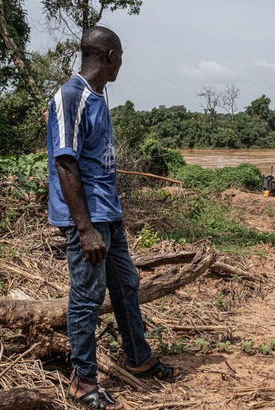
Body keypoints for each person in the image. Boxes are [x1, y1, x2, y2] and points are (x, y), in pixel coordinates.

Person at [46, 26, 180, 410]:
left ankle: (138, 357)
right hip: (87, 220)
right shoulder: (69, 96)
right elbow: (65, 163)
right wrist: (85, 228)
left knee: (125, 285)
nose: (121, 63)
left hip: (109, 214)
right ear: (109, 56)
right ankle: (83, 382)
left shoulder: (97, 97)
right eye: (119, 57)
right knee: (87, 296)